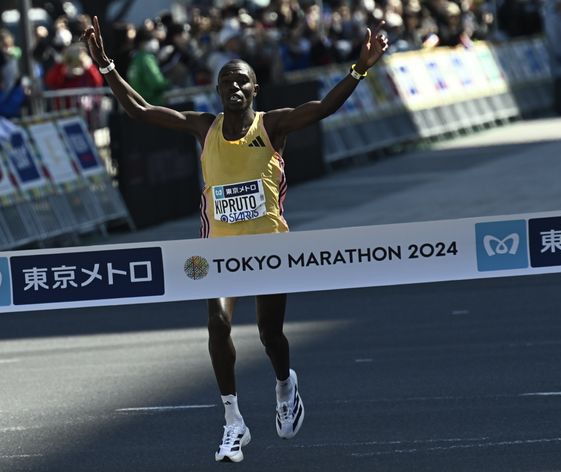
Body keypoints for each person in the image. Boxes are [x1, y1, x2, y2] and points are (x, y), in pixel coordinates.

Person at [83, 15, 388, 463]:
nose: (235, 87)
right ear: (219, 90)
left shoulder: (273, 126)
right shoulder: (202, 127)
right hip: (218, 252)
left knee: (270, 334)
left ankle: (286, 385)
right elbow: (141, 111)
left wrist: (359, 70)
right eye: (227, 81)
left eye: (242, 81)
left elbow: (321, 108)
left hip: (268, 247)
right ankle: (233, 421)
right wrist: (107, 67)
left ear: (254, 89)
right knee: (218, 325)